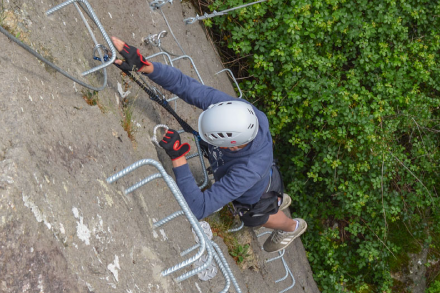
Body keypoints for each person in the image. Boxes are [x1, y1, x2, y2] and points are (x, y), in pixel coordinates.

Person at [110, 37, 307, 252]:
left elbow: (199, 207)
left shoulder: (247, 170)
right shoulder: (236, 111)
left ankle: (292, 226)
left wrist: (178, 158)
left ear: (232, 145)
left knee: (255, 217)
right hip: (260, 173)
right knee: (266, 188)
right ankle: (279, 199)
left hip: (253, 196)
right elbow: (186, 86)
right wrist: (147, 67)